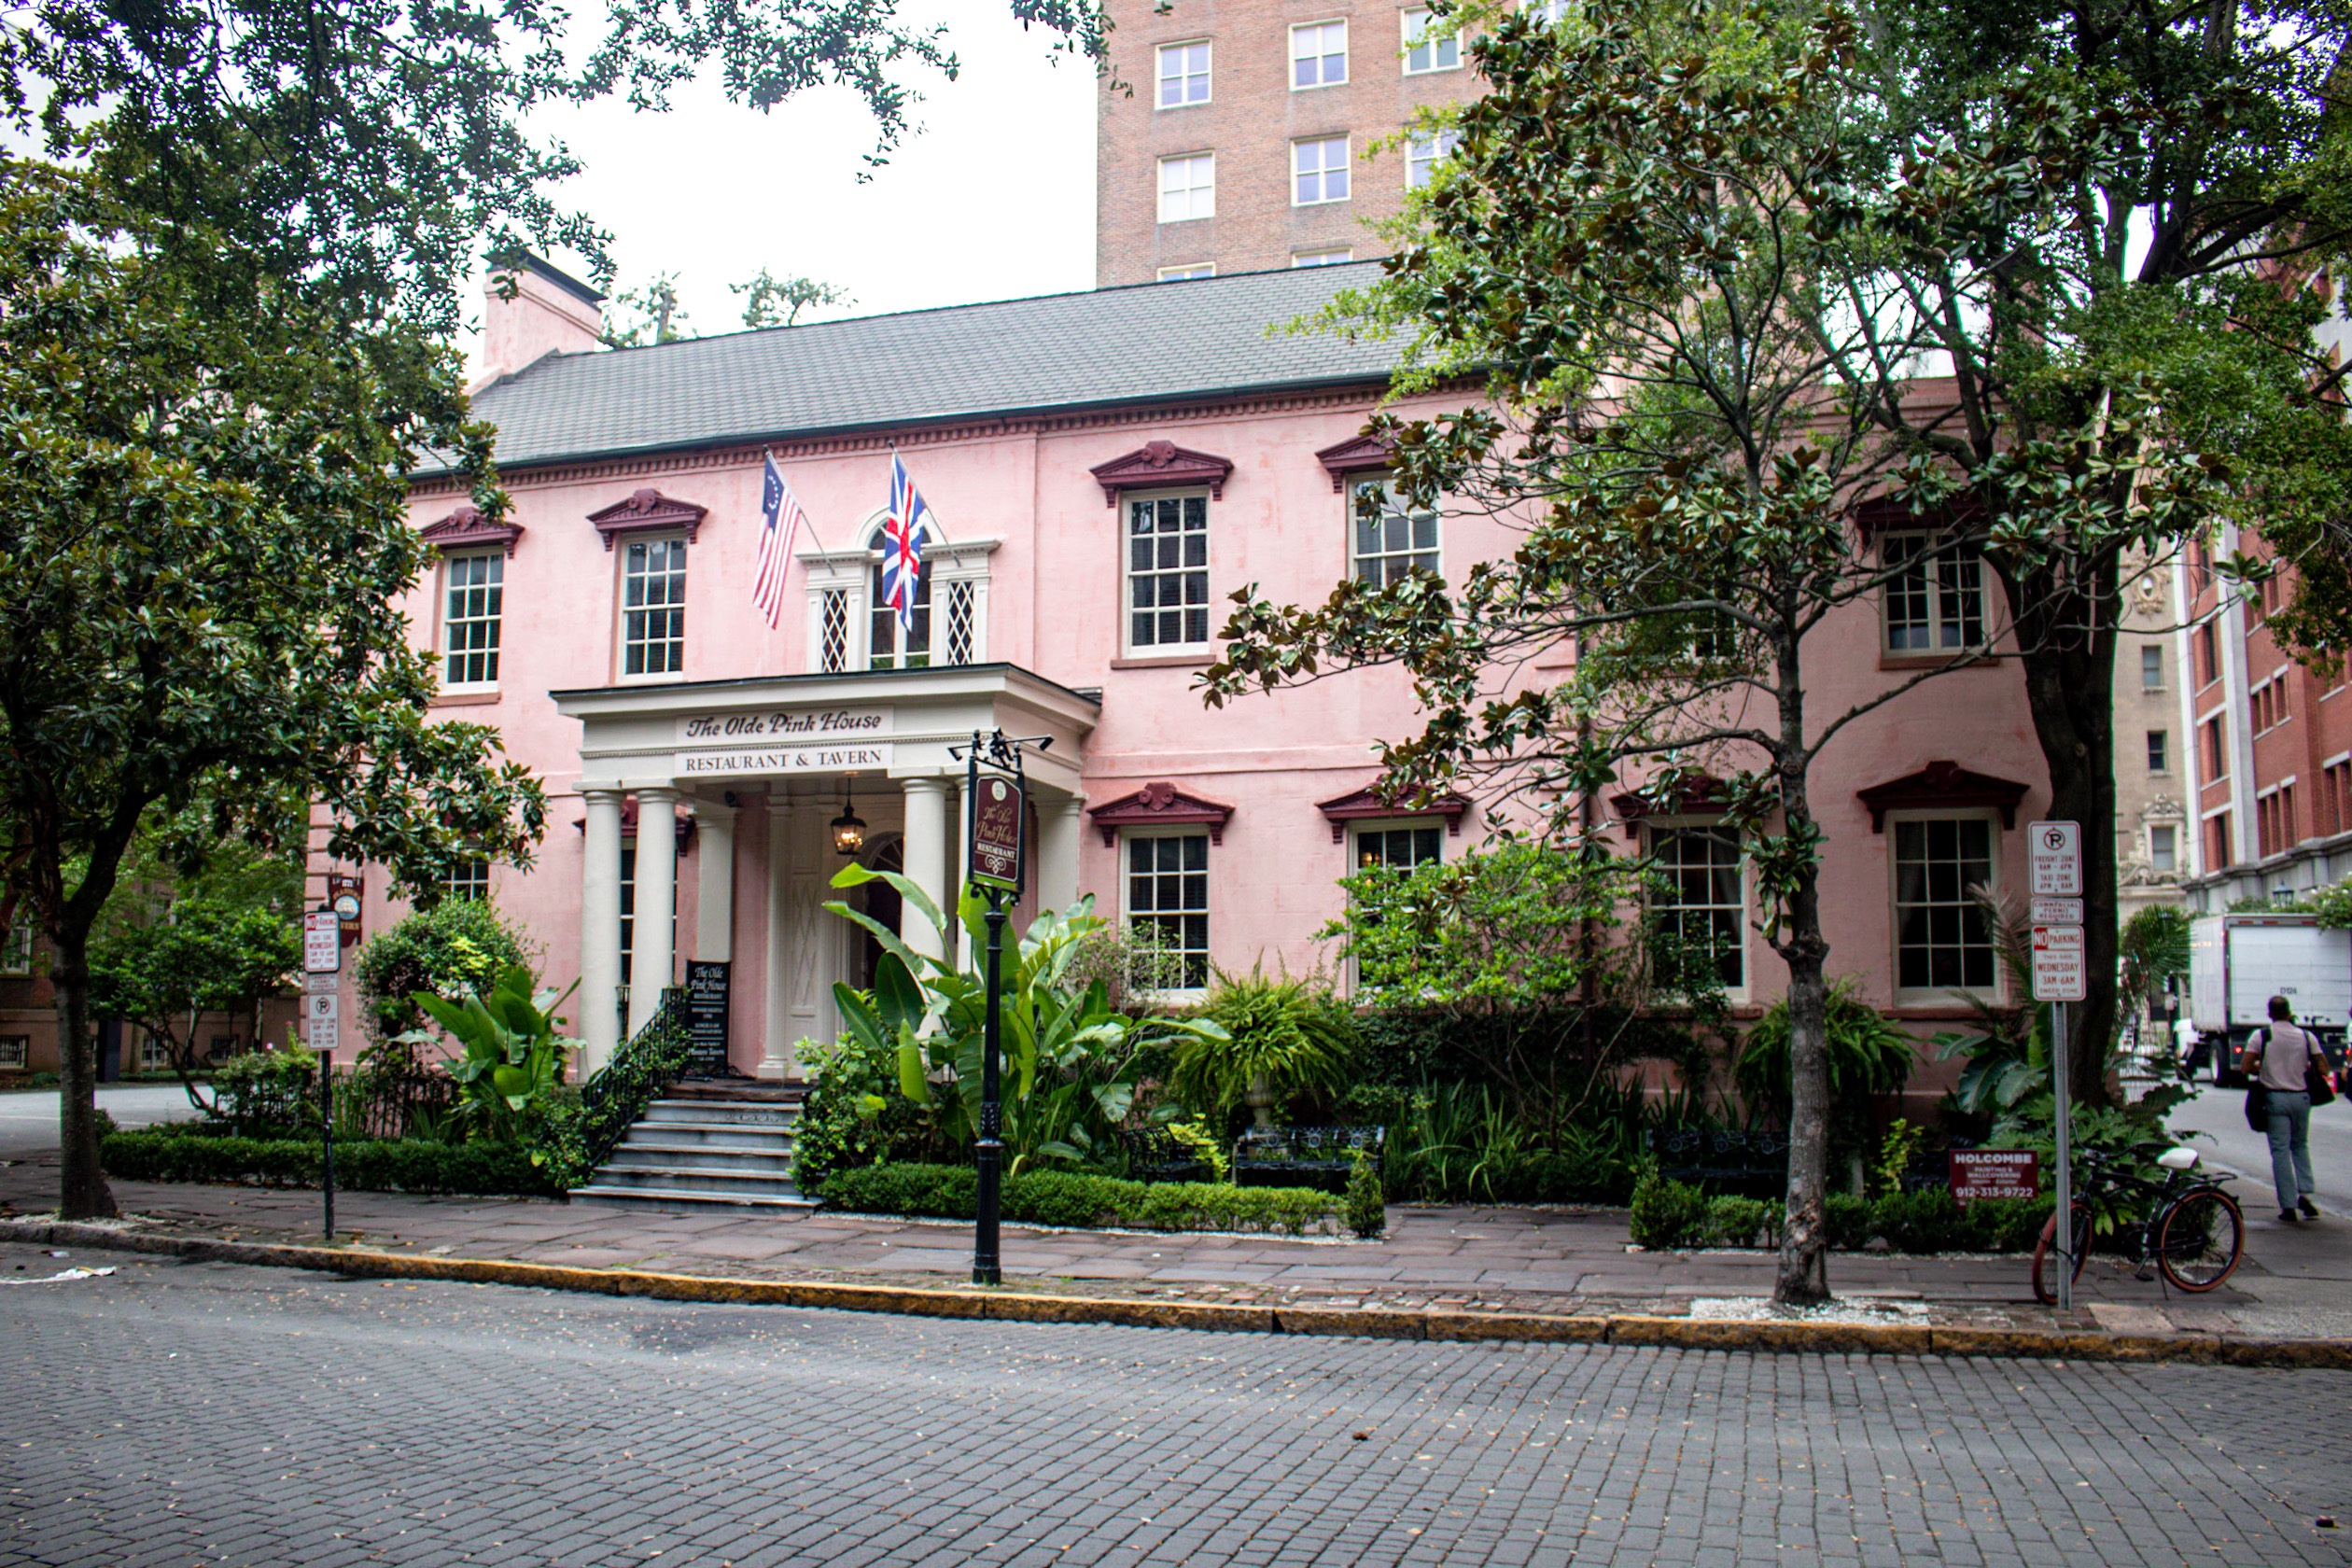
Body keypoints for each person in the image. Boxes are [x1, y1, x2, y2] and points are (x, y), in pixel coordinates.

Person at [2247, 995, 2327, 1222]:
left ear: (2270, 1013)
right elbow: (2323, 1068)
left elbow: (2245, 1067)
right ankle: (2306, 1193)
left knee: (2280, 1151)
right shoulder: (2305, 1036)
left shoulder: (2261, 1036)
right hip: (2301, 1098)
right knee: (2300, 1145)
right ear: (2289, 1012)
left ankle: (2288, 1205)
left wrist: (2263, 1067)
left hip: (2275, 1099)